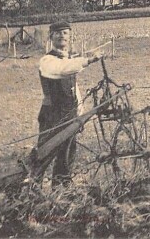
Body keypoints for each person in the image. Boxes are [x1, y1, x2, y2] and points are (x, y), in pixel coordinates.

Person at [35, 21, 104, 187]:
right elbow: (62, 69)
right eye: (57, 33)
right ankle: (32, 187)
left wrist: (79, 110)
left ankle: (61, 187)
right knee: (45, 152)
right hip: (52, 114)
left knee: (67, 153)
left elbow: (74, 88)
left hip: (69, 113)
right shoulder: (47, 60)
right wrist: (87, 60)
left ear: (70, 36)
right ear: (50, 37)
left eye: (65, 33)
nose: (62, 36)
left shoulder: (69, 60)